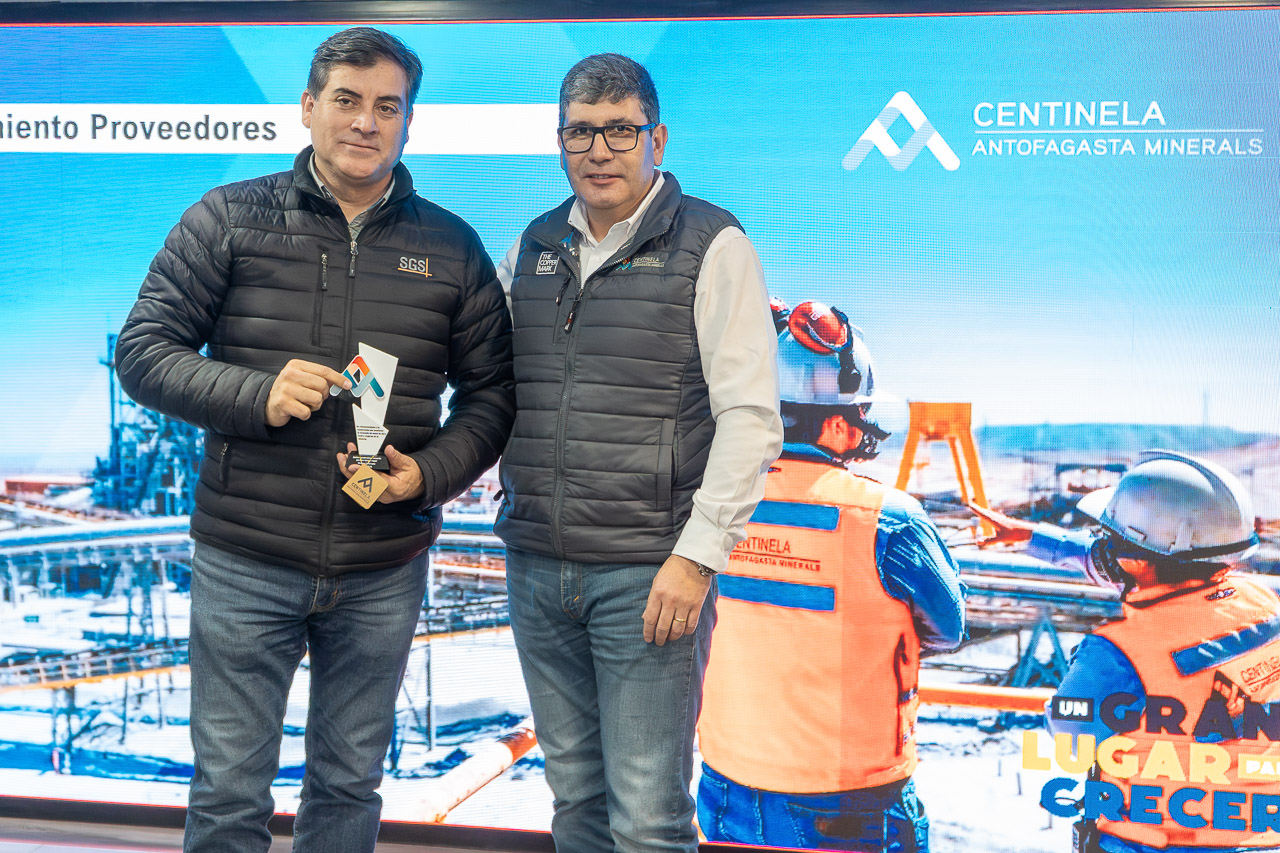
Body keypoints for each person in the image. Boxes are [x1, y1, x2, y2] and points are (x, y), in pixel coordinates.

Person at [114, 27, 514, 853]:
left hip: (383, 566)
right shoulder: (227, 218)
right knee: (228, 792)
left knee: (348, 786)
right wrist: (257, 393)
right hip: (246, 558)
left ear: (408, 122)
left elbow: (493, 395)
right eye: (347, 100)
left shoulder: (452, 248)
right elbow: (143, 351)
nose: (366, 121)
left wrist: (427, 475)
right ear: (307, 107)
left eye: (387, 106)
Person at [492, 53, 783, 852]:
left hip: (649, 577)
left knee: (649, 817)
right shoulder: (534, 244)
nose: (599, 151)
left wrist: (696, 558)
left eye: (620, 131)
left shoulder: (712, 244)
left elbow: (750, 420)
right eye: (580, 132)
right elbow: (489, 382)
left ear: (657, 138)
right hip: (538, 568)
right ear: (559, 141)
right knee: (576, 801)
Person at [697, 301, 966, 852]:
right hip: (848, 809)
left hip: (724, 788)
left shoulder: (704, 503)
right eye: (861, 413)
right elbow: (948, 630)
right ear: (838, 423)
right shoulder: (889, 519)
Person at [972, 451, 1279, 853]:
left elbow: (1073, 743)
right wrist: (1032, 537)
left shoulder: (1118, 652)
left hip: (1156, 838)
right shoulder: (1261, 600)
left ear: (1135, 563)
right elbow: (1152, 570)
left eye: (1110, 539)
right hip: (1256, 831)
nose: (1103, 547)